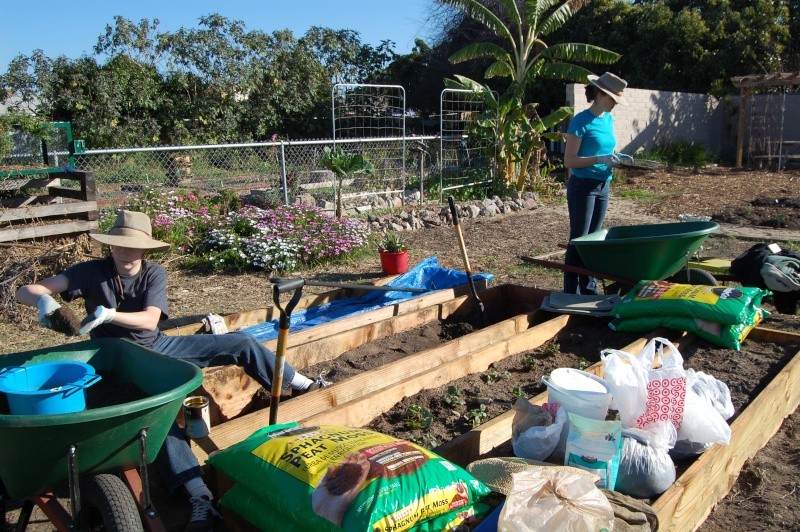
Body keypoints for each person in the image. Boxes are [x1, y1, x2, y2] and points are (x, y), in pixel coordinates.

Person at [16, 209, 330, 532]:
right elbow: (25, 290)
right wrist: (42, 301)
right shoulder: (92, 272)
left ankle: (303, 383)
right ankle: (200, 496)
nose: (126, 253)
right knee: (160, 418)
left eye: (133, 246)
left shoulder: (154, 273)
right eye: (119, 245)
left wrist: (110, 316)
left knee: (242, 342)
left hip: (159, 348)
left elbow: (151, 319)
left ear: (145, 249)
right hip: (120, 362)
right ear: (109, 246)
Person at [562, 72, 628, 295]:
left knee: (594, 240)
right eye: (612, 99)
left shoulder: (608, 119)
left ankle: (588, 288)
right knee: (579, 239)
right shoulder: (581, 122)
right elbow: (569, 161)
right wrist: (599, 159)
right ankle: (569, 291)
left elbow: (604, 149)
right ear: (599, 95)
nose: (615, 104)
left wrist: (613, 160)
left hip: (603, 184)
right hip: (583, 186)